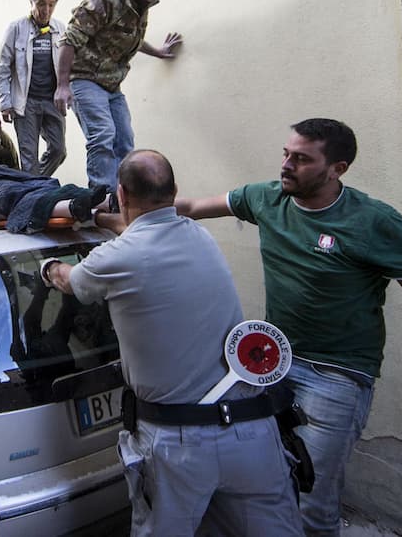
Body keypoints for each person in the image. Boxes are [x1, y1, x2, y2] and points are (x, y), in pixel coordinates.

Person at [175, 118, 402, 536]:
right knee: (271, 489)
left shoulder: (374, 222)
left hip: (337, 378)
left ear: (338, 169)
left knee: (311, 506)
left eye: (302, 159)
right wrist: (126, 214)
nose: (286, 165)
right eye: (286, 153)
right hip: (276, 368)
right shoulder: (267, 199)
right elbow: (190, 208)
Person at [42, 149, 302, 536]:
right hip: (252, 430)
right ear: (175, 190)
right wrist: (104, 219)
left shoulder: (113, 259)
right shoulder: (198, 235)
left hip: (180, 444)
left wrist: (49, 267)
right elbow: (142, 234)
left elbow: (71, 281)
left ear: (123, 194)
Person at [54, 0, 183, 192]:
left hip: (112, 85)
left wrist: (158, 51)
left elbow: (129, 38)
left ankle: (126, 198)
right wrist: (61, 85)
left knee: (125, 143)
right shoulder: (106, 1)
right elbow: (69, 39)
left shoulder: (140, 5)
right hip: (85, 79)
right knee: (102, 136)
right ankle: (102, 199)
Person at [0, 0, 67, 176]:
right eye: (41, 4)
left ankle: (32, 184)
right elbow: (2, 68)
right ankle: (33, 191)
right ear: (31, 2)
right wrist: (5, 102)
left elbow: (69, 64)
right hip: (25, 104)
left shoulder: (60, 29)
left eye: (51, 4)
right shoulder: (16, 29)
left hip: (52, 101)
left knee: (59, 150)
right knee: (29, 159)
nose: (46, 10)